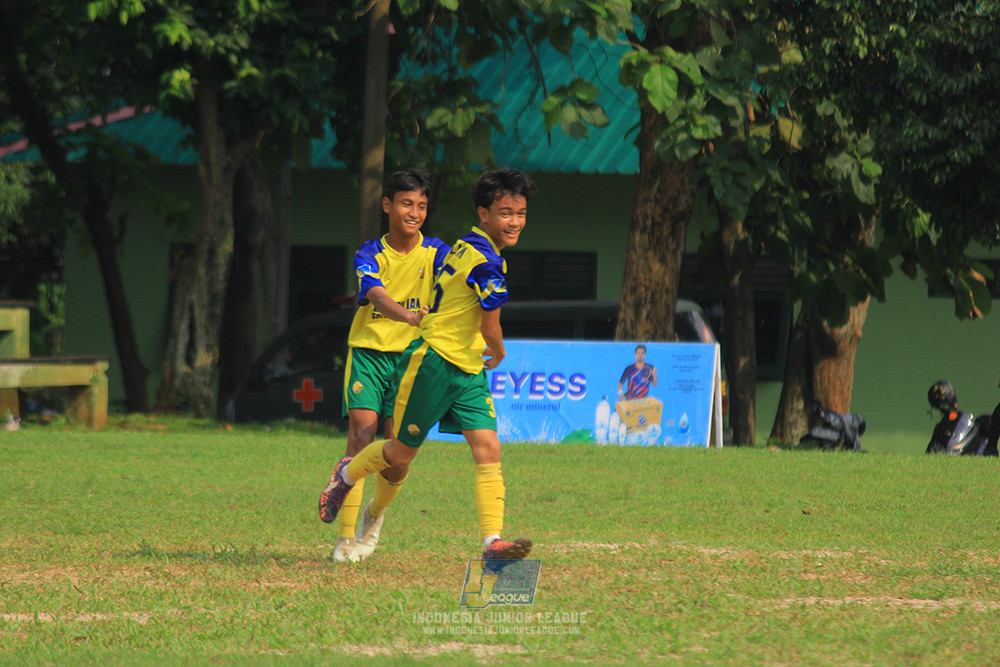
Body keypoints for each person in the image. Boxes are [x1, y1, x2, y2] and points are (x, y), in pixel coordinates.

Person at [319, 168, 537, 561]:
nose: (515, 222)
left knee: (479, 447)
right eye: (505, 213)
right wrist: (495, 348)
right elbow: (488, 323)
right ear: (387, 206)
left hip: (461, 364)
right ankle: (345, 510)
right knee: (372, 440)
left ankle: (491, 541)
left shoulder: (449, 248)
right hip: (406, 356)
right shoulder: (373, 253)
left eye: (520, 214)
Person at [318, 168, 450, 563]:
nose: (415, 212)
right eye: (407, 203)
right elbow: (375, 295)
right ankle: (345, 540)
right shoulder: (369, 254)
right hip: (369, 353)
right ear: (387, 205)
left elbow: (463, 283)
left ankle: (374, 516)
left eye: (421, 205)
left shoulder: (438, 253)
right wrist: (408, 316)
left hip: (412, 361)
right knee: (361, 433)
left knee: (398, 457)